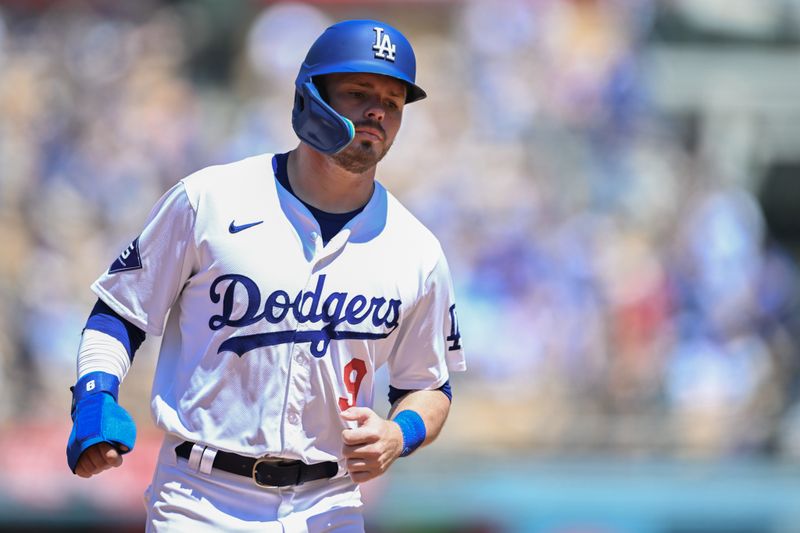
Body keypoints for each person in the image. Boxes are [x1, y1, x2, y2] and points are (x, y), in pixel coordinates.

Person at [66, 18, 466, 532]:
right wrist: (95, 393)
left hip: (330, 504)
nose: (376, 111)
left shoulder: (417, 250)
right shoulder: (209, 200)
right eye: (358, 91)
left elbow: (431, 387)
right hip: (200, 498)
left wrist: (399, 433)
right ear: (311, 97)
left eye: (392, 101)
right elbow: (119, 315)